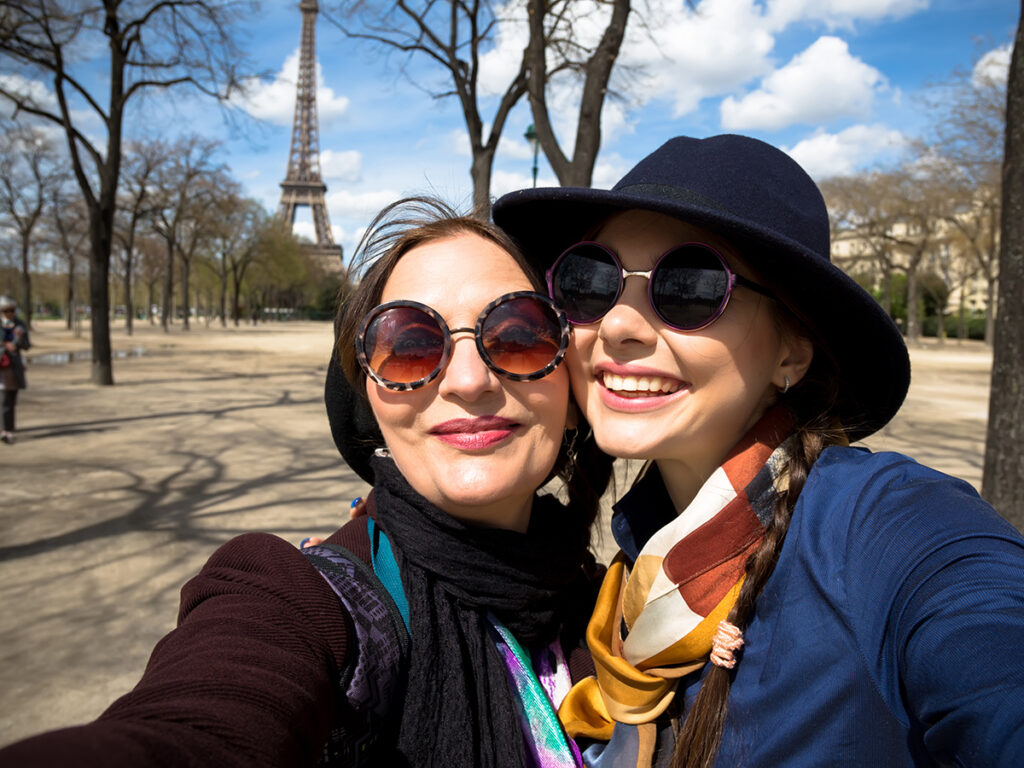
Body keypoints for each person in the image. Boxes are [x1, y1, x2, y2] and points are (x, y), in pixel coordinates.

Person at [0, 197, 612, 767]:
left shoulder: (612, 601)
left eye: (520, 334)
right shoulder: (301, 599)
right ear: (370, 395)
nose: (469, 381)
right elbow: (202, 716)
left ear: (571, 375)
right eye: (410, 346)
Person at [492, 134, 1024, 767]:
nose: (618, 325)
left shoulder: (884, 525)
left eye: (688, 286)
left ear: (791, 353)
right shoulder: (641, 560)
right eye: (590, 281)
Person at [1, 295, 30, 445]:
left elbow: (26, 346)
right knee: (4, 398)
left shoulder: (19, 324)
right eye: (6, 310)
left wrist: (20, 338)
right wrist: (5, 345)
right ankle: (5, 430)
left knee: (11, 398)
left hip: (13, 366)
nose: (10, 313)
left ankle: (9, 428)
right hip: (1, 366)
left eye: (12, 310)